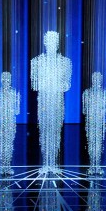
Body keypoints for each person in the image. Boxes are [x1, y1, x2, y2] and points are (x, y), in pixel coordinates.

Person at [31, 31, 72, 173]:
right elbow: (34, 85)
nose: (51, 43)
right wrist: (49, 84)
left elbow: (67, 85)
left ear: (58, 42)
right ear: (44, 42)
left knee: (55, 131)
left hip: (57, 101)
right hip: (43, 101)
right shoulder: (36, 62)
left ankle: (53, 163)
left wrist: (56, 85)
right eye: (49, 40)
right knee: (44, 130)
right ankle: (45, 163)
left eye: (54, 40)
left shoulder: (66, 62)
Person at [0, 71, 21, 176]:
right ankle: (2, 166)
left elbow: (17, 110)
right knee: (2, 143)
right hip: (1, 121)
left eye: (8, 79)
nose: (6, 81)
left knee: (9, 144)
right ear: (1, 80)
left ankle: (7, 166)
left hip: (10, 121)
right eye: (4, 79)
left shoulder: (14, 92)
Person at [82, 71, 106, 176]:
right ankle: (92, 166)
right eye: (94, 78)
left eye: (98, 78)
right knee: (91, 143)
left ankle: (97, 165)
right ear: (92, 80)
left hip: (99, 122)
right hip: (90, 122)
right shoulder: (86, 93)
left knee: (98, 143)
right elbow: (84, 110)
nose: (96, 80)